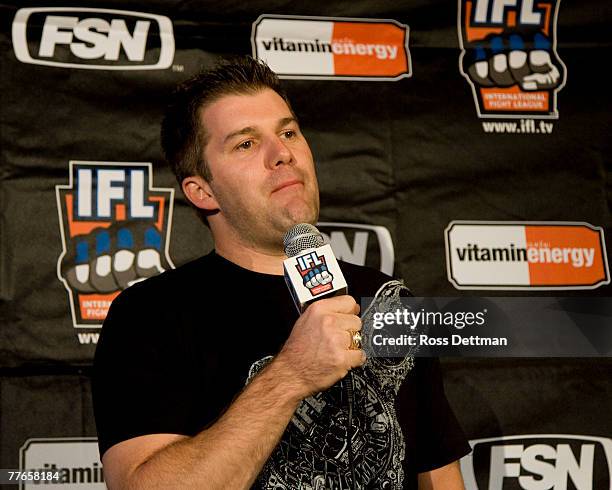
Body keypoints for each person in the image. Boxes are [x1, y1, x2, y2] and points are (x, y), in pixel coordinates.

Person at [92, 56, 470, 489]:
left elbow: (440, 476)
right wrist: (291, 374)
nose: (283, 154)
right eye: (246, 144)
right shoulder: (150, 315)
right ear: (202, 190)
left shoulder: (386, 299)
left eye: (288, 132)